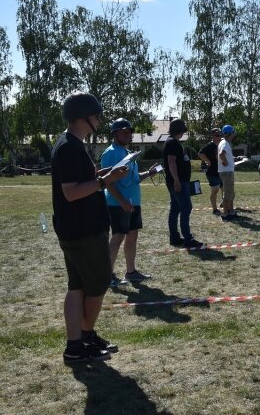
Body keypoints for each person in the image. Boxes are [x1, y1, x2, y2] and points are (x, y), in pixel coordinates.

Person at [52, 92, 128, 365]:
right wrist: (106, 181)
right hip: (83, 231)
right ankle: (83, 337)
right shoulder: (69, 147)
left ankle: (77, 344)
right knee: (96, 286)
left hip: (74, 229)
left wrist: (103, 176)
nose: (99, 120)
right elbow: (71, 192)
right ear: (83, 117)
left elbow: (78, 181)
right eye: (96, 115)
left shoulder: (71, 144)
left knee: (77, 287)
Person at [101, 118, 160, 288]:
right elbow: (108, 182)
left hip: (133, 202)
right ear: (115, 133)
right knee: (118, 237)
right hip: (117, 203)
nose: (128, 134)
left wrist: (149, 173)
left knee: (132, 236)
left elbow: (134, 179)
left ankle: (131, 272)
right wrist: (122, 201)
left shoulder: (129, 153)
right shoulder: (110, 153)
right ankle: (108, 276)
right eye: (124, 131)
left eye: (129, 131)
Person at [163, 118, 203, 248]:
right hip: (178, 182)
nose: (183, 134)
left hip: (178, 181)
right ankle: (187, 238)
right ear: (178, 131)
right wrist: (176, 180)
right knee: (186, 207)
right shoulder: (172, 143)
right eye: (182, 131)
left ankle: (174, 237)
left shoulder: (172, 142)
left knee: (175, 209)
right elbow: (171, 162)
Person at [199, 128, 223, 216]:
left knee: (223, 188)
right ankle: (214, 209)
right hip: (212, 172)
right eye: (217, 135)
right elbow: (200, 153)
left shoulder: (221, 145)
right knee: (215, 190)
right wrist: (208, 161)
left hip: (221, 171)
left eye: (220, 135)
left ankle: (224, 203)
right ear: (213, 136)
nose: (219, 137)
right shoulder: (209, 145)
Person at [217, 124, 238, 220]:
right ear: (230, 133)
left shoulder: (225, 143)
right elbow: (221, 154)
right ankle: (225, 214)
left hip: (227, 171)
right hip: (227, 172)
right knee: (228, 193)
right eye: (233, 133)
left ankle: (231, 211)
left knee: (230, 193)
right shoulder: (225, 143)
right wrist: (225, 162)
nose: (234, 135)